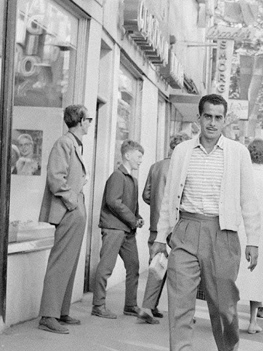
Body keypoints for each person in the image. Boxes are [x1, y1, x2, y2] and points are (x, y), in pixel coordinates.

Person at [151, 95, 261, 351]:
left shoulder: (237, 153)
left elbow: (249, 199)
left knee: (223, 302)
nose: (212, 123)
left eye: (218, 117)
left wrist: (253, 239)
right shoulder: (183, 151)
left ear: (225, 120)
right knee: (179, 304)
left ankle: (229, 349)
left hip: (222, 232)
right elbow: (169, 197)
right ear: (198, 119)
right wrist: (161, 237)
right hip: (185, 229)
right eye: (207, 116)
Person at [36, 105, 92, 335]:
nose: (90, 122)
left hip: (74, 209)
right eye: (88, 118)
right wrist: (73, 204)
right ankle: (49, 315)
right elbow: (55, 179)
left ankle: (60, 310)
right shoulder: (64, 143)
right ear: (80, 121)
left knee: (69, 262)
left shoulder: (73, 144)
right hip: (69, 209)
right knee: (60, 262)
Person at [139, 133, 189, 324]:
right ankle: (152, 308)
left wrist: (156, 207)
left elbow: (146, 195)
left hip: (155, 224)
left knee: (157, 264)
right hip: (176, 225)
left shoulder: (155, 166)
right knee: (181, 270)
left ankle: (150, 306)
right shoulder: (181, 168)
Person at [92, 140, 145, 320]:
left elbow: (130, 204)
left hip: (126, 230)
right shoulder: (117, 176)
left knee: (134, 266)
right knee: (106, 267)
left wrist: (136, 218)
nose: (140, 161)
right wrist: (133, 219)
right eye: (138, 157)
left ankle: (130, 305)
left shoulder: (132, 179)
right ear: (127, 156)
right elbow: (113, 201)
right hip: (114, 228)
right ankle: (98, 305)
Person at [238, 139, 263, 335]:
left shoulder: (242, 175)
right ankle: (253, 321)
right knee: (258, 273)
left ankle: (229, 317)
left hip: (241, 228)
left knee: (236, 272)